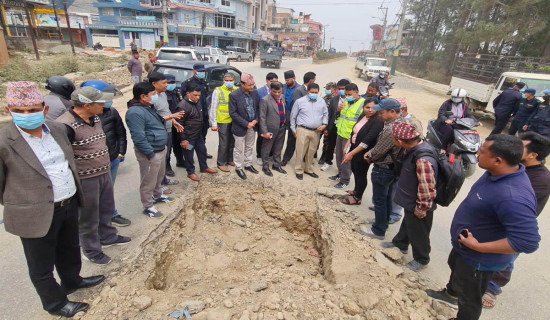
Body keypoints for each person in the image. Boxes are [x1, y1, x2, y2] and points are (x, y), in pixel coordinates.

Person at [1, 81, 105, 317]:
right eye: (19, 111)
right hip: (33, 212)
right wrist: (23, 202)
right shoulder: (4, 140)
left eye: (32, 110)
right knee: (41, 264)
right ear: (10, 111)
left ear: (44, 109)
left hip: (67, 203)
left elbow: (68, 164)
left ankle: (72, 281)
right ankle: (55, 304)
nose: (26, 115)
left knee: (69, 248)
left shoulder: (57, 130)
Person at [426, 134, 540, 320]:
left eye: (482, 151)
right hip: (465, 249)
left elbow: (528, 242)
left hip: (479, 258)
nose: (477, 154)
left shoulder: (513, 195)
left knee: (470, 298)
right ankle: (450, 294)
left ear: (498, 160)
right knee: (456, 269)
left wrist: (478, 246)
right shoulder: (494, 172)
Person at [57, 87, 131, 265]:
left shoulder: (95, 117)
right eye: (99, 103)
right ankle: (91, 250)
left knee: (106, 208)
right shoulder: (64, 125)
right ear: (86, 105)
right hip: (85, 178)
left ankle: (107, 236)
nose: (104, 105)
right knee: (88, 216)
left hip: (103, 171)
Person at [482, 132, 550, 308]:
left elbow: (515, 204)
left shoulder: (541, 179)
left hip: (510, 225)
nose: (516, 148)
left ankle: (493, 287)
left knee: (506, 257)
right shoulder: (515, 163)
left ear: (533, 155)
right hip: (494, 218)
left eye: (522, 147)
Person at [380, 121, 438, 272]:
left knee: (420, 231)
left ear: (399, 141)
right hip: (410, 200)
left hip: (419, 203)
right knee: (409, 223)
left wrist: (422, 208)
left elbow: (427, 188)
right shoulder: (412, 149)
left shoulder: (422, 159)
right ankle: (400, 243)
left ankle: (422, 258)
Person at [80, 79, 131, 228]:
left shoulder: (112, 112)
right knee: (93, 197)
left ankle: (111, 215)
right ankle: (94, 225)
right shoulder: (79, 119)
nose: (106, 103)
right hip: (92, 165)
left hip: (113, 158)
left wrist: (121, 152)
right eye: (104, 98)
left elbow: (120, 133)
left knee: (108, 191)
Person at [126, 82, 174, 219]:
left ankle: (158, 195)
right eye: (153, 95)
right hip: (150, 152)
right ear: (143, 96)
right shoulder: (135, 112)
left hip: (159, 148)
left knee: (159, 176)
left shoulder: (147, 107)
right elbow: (138, 137)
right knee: (148, 180)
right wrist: (150, 154)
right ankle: (148, 205)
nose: (155, 97)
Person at [360, 98, 403, 240]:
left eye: (382, 112)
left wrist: (369, 155)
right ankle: (382, 223)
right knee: (387, 198)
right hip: (393, 168)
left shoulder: (391, 129)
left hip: (384, 168)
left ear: (392, 112)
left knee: (380, 200)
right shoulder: (401, 123)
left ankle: (378, 230)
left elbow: (379, 150)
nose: (379, 114)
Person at [340, 98, 383, 205]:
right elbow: (354, 132)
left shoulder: (377, 121)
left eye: (373, 107)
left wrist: (351, 153)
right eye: (367, 107)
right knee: (354, 169)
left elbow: (366, 141)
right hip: (355, 147)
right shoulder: (363, 116)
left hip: (363, 151)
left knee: (361, 174)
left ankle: (358, 198)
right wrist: (347, 146)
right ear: (363, 107)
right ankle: (356, 190)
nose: (370, 110)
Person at [175, 85, 218, 181]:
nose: (197, 97)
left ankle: (204, 167)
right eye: (195, 95)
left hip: (198, 135)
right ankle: (190, 172)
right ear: (188, 94)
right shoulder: (182, 106)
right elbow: (179, 125)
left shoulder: (197, 102)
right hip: (188, 138)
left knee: (202, 151)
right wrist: (183, 139)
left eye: (199, 95)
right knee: (189, 155)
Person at [148, 72, 185, 179]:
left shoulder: (163, 94)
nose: (166, 85)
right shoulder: (151, 98)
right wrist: (171, 116)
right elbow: (152, 119)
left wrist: (173, 120)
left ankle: (163, 179)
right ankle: (159, 183)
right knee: (158, 158)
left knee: (166, 153)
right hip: (158, 132)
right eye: (164, 83)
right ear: (154, 84)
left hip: (168, 129)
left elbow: (166, 111)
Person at [330, 83, 365, 189]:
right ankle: (340, 174)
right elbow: (340, 116)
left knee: (346, 159)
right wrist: (338, 109)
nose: (347, 96)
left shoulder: (362, 104)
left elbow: (362, 122)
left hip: (349, 136)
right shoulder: (346, 101)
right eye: (346, 94)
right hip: (340, 132)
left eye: (349, 94)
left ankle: (345, 180)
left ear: (356, 93)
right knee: (339, 156)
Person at [290, 83, 328, 180]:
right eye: (312, 92)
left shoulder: (321, 101)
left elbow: (325, 114)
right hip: (302, 129)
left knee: (312, 151)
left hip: (316, 131)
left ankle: (308, 169)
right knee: (301, 150)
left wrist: (324, 124)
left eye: (316, 92)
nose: (314, 94)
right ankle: (298, 170)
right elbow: (293, 116)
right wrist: (293, 129)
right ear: (307, 92)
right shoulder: (300, 101)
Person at [229, 73, 260, 180]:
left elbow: (258, 108)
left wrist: (255, 120)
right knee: (238, 148)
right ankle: (238, 167)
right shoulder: (234, 95)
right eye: (249, 85)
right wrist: (246, 124)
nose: (252, 87)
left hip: (253, 125)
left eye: (253, 84)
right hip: (240, 127)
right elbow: (233, 113)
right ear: (242, 84)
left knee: (249, 146)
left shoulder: (255, 93)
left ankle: (248, 164)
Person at [282, 71, 315, 166]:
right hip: (285, 116)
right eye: (286, 80)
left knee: (295, 139)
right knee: (288, 139)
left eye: (288, 79)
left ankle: (294, 158)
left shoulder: (299, 88)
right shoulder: (284, 87)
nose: (287, 81)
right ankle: (286, 158)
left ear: (294, 78)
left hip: (296, 118)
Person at [181, 63, 212, 158]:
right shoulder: (187, 83)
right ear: (193, 71)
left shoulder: (204, 82)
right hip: (192, 114)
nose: (202, 73)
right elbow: (184, 98)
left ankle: (202, 152)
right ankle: (190, 154)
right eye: (199, 71)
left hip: (203, 113)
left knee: (202, 135)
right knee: (191, 137)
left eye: (203, 71)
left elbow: (206, 96)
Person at [319, 79, 350, 171]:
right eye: (339, 88)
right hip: (334, 126)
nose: (341, 90)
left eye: (343, 89)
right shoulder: (335, 99)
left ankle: (342, 166)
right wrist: (327, 128)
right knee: (330, 144)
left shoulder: (351, 100)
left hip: (345, 128)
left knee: (343, 148)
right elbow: (329, 114)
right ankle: (328, 161)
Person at [259, 81, 288, 176]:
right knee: (266, 148)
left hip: (282, 127)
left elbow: (283, 110)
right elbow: (262, 117)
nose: (277, 94)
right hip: (270, 129)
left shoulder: (282, 97)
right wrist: (264, 131)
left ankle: (276, 165)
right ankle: (265, 166)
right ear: (270, 90)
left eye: (279, 92)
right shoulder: (265, 100)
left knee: (278, 147)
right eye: (274, 92)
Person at [210, 73, 238, 172]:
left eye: (231, 80)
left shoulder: (237, 90)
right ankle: (221, 163)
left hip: (234, 121)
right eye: (227, 80)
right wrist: (213, 123)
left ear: (234, 81)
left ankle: (230, 159)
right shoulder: (218, 91)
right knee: (224, 143)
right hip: (222, 121)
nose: (229, 82)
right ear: (223, 81)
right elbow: (213, 108)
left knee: (232, 142)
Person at [255, 72, 279, 166]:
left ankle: (269, 155)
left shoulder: (277, 91)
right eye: (273, 82)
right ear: (267, 81)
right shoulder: (259, 91)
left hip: (273, 120)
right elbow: (256, 106)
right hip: (262, 119)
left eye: (276, 82)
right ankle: (259, 156)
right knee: (261, 138)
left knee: (272, 138)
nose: (275, 84)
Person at [165, 73, 185, 172]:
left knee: (178, 143)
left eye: (173, 82)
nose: (171, 84)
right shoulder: (162, 95)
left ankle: (180, 160)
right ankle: (167, 166)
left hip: (178, 122)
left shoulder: (177, 92)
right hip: (168, 123)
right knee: (168, 146)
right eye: (169, 82)